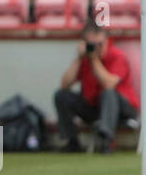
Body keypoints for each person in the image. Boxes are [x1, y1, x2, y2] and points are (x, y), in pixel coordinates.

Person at [54, 23, 139, 154]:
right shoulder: (85, 59)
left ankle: (107, 141)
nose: (97, 48)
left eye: (100, 43)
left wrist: (94, 59)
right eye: (91, 44)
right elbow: (65, 84)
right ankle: (71, 142)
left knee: (108, 93)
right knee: (61, 95)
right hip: (94, 107)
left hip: (123, 108)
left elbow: (109, 84)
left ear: (106, 41)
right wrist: (79, 58)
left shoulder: (117, 56)